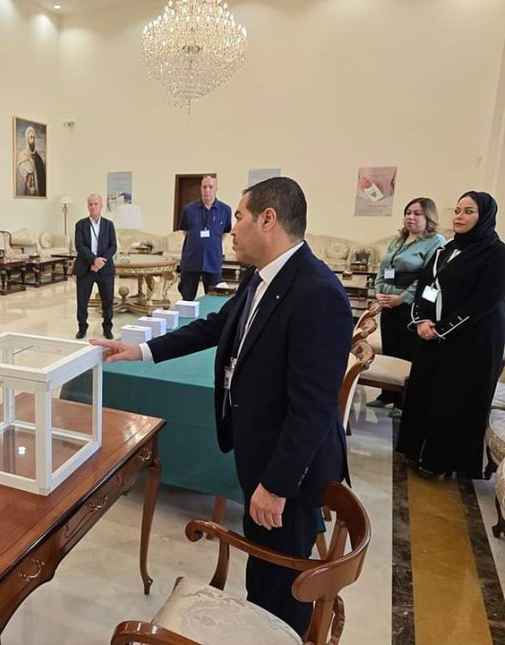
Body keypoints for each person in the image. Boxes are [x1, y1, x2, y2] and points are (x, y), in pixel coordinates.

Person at [93, 177, 351, 635]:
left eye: (240, 217)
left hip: (289, 472)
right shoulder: (263, 276)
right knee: (263, 572)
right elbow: (215, 327)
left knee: (284, 583)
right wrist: (141, 350)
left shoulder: (317, 292)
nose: (232, 228)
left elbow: (312, 407)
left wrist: (275, 485)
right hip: (260, 457)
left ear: (268, 220)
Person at [397, 191, 505, 478]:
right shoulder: (445, 250)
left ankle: (441, 461)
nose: (459, 216)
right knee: (425, 393)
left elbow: (485, 301)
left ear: (484, 216)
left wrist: (443, 328)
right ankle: (416, 450)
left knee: (453, 401)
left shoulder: (496, 253)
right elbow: (427, 288)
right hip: (432, 335)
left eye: (468, 211)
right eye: (457, 210)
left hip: (471, 343)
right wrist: (422, 319)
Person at [368, 198, 445, 417]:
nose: (411, 217)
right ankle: (387, 395)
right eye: (408, 212)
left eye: (417, 213)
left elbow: (428, 277)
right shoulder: (398, 240)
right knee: (390, 347)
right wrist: (379, 291)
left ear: (428, 217)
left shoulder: (435, 241)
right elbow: (384, 268)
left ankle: (403, 402)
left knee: (407, 352)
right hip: (388, 302)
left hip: (411, 305)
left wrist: (402, 298)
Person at [178, 174, 232, 300]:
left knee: (213, 298)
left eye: (210, 187)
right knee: (187, 298)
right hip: (191, 260)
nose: (207, 190)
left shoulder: (225, 210)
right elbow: (185, 231)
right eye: (204, 187)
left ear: (216, 189)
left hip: (213, 260)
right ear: (201, 188)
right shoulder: (189, 209)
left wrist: (210, 243)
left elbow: (225, 232)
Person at [73, 193, 117, 340]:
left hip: (105, 268)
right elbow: (79, 245)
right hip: (85, 268)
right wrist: (93, 260)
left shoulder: (109, 225)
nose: (93, 207)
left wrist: (100, 261)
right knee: (82, 301)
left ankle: (107, 328)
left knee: (108, 300)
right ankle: (82, 328)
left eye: (96, 204)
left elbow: (113, 246)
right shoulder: (80, 224)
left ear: (101, 205)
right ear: (88, 206)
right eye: (90, 204)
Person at [16, 125, 46, 197]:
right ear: (27, 139)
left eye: (34, 137)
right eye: (30, 137)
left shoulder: (38, 158)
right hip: (27, 189)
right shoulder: (23, 154)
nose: (32, 140)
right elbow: (24, 172)